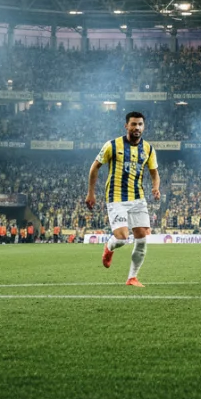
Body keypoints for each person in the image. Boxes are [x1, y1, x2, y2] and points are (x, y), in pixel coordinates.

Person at [86, 111, 162, 287]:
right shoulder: (112, 145)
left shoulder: (148, 149)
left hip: (138, 198)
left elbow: (154, 173)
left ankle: (132, 278)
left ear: (144, 127)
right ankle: (109, 247)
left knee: (142, 239)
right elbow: (94, 167)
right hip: (117, 197)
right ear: (126, 126)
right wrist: (91, 193)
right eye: (133, 124)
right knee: (121, 238)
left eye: (140, 124)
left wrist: (156, 187)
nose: (137, 127)